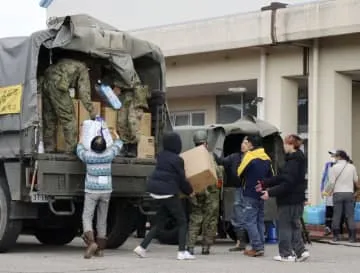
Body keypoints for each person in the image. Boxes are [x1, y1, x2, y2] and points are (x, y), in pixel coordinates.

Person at [133, 132, 195, 260]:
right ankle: (182, 252)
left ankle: (142, 247)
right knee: (183, 221)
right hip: (168, 192)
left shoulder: (160, 156)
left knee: (160, 223)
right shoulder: (178, 160)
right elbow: (181, 180)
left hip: (156, 191)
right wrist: (190, 192)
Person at [257, 134, 309, 262]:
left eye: (285, 144)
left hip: (289, 199)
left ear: (291, 145)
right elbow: (282, 177)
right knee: (295, 225)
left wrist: (270, 193)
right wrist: (265, 183)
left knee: (284, 226)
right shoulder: (296, 159)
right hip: (297, 198)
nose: (283, 147)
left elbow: (287, 183)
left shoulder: (293, 162)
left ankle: (286, 254)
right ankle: (300, 251)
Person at [76, 129, 123, 259]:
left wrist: (80, 137)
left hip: (91, 191)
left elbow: (79, 149)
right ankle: (100, 249)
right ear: (104, 147)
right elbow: (118, 145)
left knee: (87, 217)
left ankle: (91, 243)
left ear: (91, 146)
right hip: (106, 191)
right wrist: (116, 135)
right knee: (102, 220)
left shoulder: (88, 156)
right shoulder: (109, 155)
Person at [41, 58, 97, 153]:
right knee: (69, 119)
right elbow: (84, 93)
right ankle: (71, 151)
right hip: (58, 86)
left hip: (46, 82)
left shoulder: (67, 61)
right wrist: (92, 111)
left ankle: (49, 147)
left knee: (49, 118)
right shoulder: (83, 69)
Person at [187, 130, 223, 255]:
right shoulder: (211, 156)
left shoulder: (190, 157)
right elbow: (218, 174)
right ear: (206, 143)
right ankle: (205, 247)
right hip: (212, 194)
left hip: (196, 192)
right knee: (210, 220)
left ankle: (190, 246)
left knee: (195, 218)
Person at [237, 135, 273, 257]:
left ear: (251, 145)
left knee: (249, 221)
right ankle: (260, 247)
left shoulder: (250, 156)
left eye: (248, 143)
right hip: (261, 193)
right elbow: (271, 176)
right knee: (259, 221)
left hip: (250, 193)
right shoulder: (267, 158)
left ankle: (256, 247)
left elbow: (239, 172)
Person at [102, 69, 150, 157]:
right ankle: (125, 146)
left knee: (132, 121)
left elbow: (135, 83)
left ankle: (133, 147)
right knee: (121, 121)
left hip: (136, 95)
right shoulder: (116, 70)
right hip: (124, 96)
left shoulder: (127, 67)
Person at [216, 138, 250, 252]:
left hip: (250, 191)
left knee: (250, 217)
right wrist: (211, 154)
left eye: (245, 143)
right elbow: (221, 161)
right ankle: (241, 242)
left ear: (251, 145)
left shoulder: (253, 158)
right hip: (238, 189)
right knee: (237, 216)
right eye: (242, 142)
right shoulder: (235, 157)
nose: (243, 145)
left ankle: (255, 244)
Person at [324, 150, 358, 242]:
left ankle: (336, 236)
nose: (334, 158)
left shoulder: (334, 168)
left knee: (337, 215)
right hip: (349, 193)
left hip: (338, 193)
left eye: (335, 157)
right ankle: (352, 237)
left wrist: (326, 192)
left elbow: (331, 183)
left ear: (339, 157)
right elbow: (356, 181)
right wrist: (356, 192)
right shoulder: (352, 167)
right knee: (350, 215)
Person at [321, 150, 349, 236]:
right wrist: (323, 189)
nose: (333, 157)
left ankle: (338, 230)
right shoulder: (328, 165)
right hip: (330, 193)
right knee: (329, 210)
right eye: (332, 155)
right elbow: (325, 178)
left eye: (334, 155)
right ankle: (328, 227)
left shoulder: (345, 166)